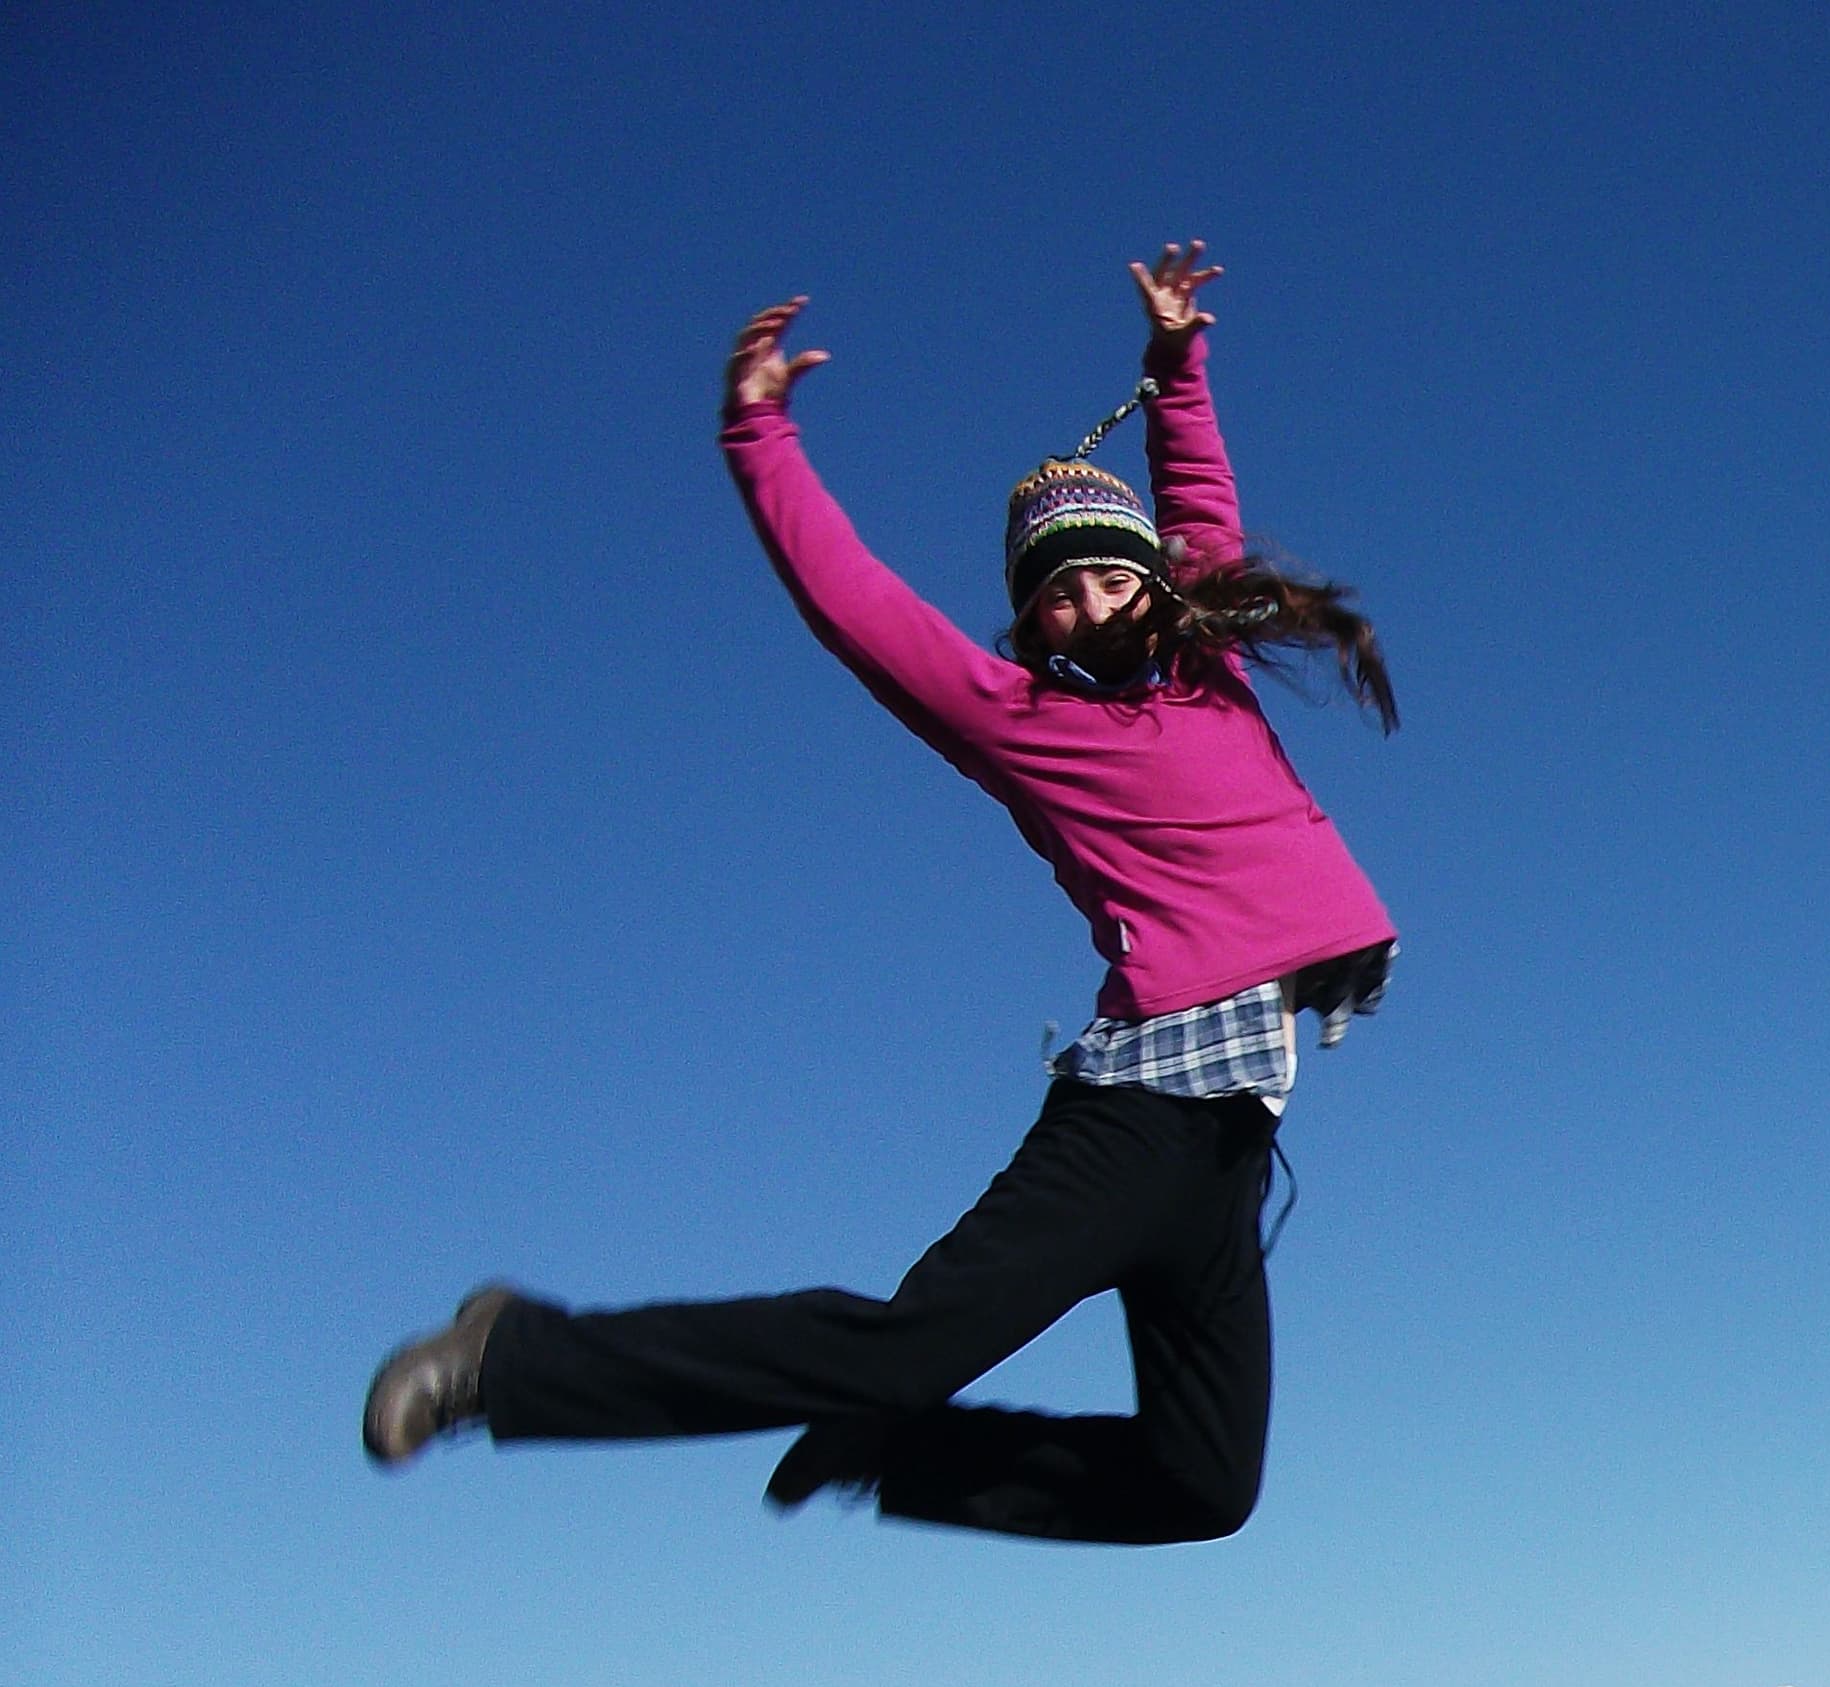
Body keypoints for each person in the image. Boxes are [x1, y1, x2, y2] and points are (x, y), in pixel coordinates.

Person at [361, 241, 1399, 1544]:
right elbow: (861, 609)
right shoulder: (1033, 729)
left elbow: (1201, 507)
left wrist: (1177, 366)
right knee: (899, 1343)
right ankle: (507, 1360)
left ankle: (897, 1461)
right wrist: (760, 440)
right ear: (1040, 633)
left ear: (1151, 578)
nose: (1091, 597)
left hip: (1231, 1147)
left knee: (1204, 1486)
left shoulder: (1211, 682)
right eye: (1057, 591)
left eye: (1110, 570)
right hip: (1138, 1114)